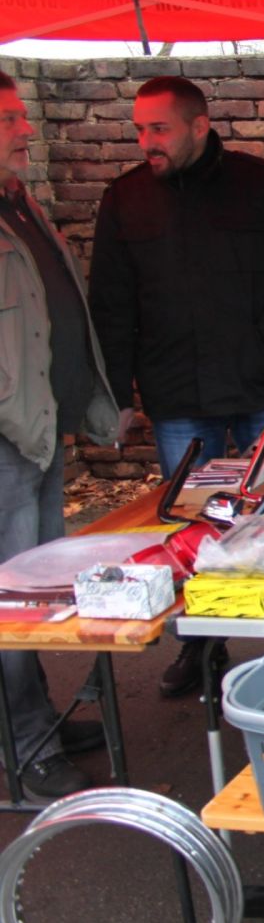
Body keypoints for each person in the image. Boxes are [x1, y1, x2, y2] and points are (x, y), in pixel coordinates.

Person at [89, 75, 264, 697]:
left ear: (199, 126)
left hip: (261, 386)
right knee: (190, 525)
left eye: (159, 128)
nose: (147, 141)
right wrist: (118, 393)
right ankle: (201, 644)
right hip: (176, 396)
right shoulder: (124, 198)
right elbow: (110, 304)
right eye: (139, 129)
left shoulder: (261, 186)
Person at [0, 69, 120, 798]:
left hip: (35, 432)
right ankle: (25, 746)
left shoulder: (20, 203)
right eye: (9, 119)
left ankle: (35, 717)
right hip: (8, 439)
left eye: (22, 115)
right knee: (11, 600)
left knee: (35, 589)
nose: (26, 129)